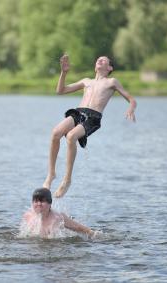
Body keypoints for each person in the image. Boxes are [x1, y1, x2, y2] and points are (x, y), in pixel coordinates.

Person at [43, 54, 137, 198]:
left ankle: (67, 180)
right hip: (78, 112)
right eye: (98, 59)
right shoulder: (86, 81)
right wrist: (64, 73)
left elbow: (131, 99)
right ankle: (51, 174)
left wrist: (131, 108)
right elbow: (60, 91)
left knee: (71, 137)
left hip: (93, 117)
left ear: (110, 67)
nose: (100, 60)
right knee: (55, 132)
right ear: (95, 67)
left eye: (104, 60)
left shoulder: (112, 81)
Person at [21, 188, 95, 238]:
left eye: (42, 201)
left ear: (50, 203)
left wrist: (93, 234)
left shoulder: (57, 218)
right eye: (36, 201)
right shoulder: (28, 216)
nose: (39, 204)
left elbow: (79, 228)